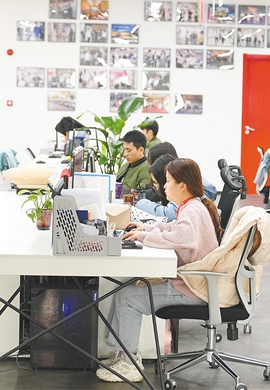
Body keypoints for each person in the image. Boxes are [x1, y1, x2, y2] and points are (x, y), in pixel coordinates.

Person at [97, 158, 222, 383]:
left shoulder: (192, 211)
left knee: (128, 298)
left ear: (182, 186)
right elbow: (173, 227)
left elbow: (182, 237)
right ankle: (122, 355)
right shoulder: (192, 206)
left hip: (194, 289)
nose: (164, 186)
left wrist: (144, 236)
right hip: (196, 284)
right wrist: (147, 228)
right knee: (126, 292)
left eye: (168, 181)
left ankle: (129, 364)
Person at [145, 142, 218, 201]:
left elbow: (169, 211)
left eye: (151, 162)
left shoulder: (183, 183)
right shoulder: (185, 172)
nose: (150, 166)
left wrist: (143, 203)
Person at [134, 154, 177, 221]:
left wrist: (141, 202)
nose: (156, 187)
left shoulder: (180, 198)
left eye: (156, 183)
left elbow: (167, 214)